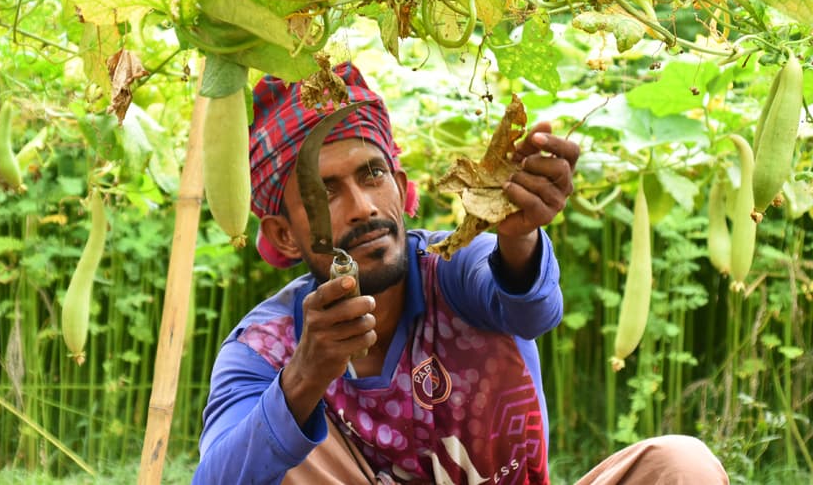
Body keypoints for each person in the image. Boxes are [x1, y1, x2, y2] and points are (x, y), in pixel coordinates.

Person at [192, 62, 728, 484]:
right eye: (325, 191)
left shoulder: (453, 268)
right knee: (276, 434)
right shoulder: (263, 348)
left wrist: (516, 237)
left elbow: (530, 306)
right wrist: (304, 375)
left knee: (681, 465)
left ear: (401, 190)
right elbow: (215, 479)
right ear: (284, 234)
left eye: (372, 174)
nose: (361, 207)